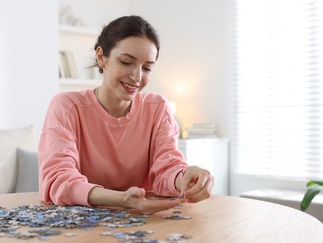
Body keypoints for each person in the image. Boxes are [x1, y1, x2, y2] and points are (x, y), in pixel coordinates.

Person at [38, 15, 214, 214]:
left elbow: (166, 167)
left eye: (147, 68)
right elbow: (57, 179)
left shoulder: (157, 108)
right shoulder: (66, 106)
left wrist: (184, 178)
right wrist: (122, 200)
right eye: (126, 62)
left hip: (140, 223)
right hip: (79, 223)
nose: (137, 77)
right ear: (100, 57)